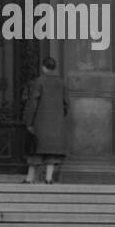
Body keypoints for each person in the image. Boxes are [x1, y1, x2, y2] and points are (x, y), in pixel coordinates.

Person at [22, 56, 68, 184]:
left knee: (34, 150)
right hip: (56, 124)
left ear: (43, 67)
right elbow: (66, 104)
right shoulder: (61, 82)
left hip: (39, 122)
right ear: (54, 67)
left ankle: (29, 178)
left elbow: (33, 103)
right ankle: (48, 178)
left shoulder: (39, 81)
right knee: (52, 152)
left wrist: (29, 121)